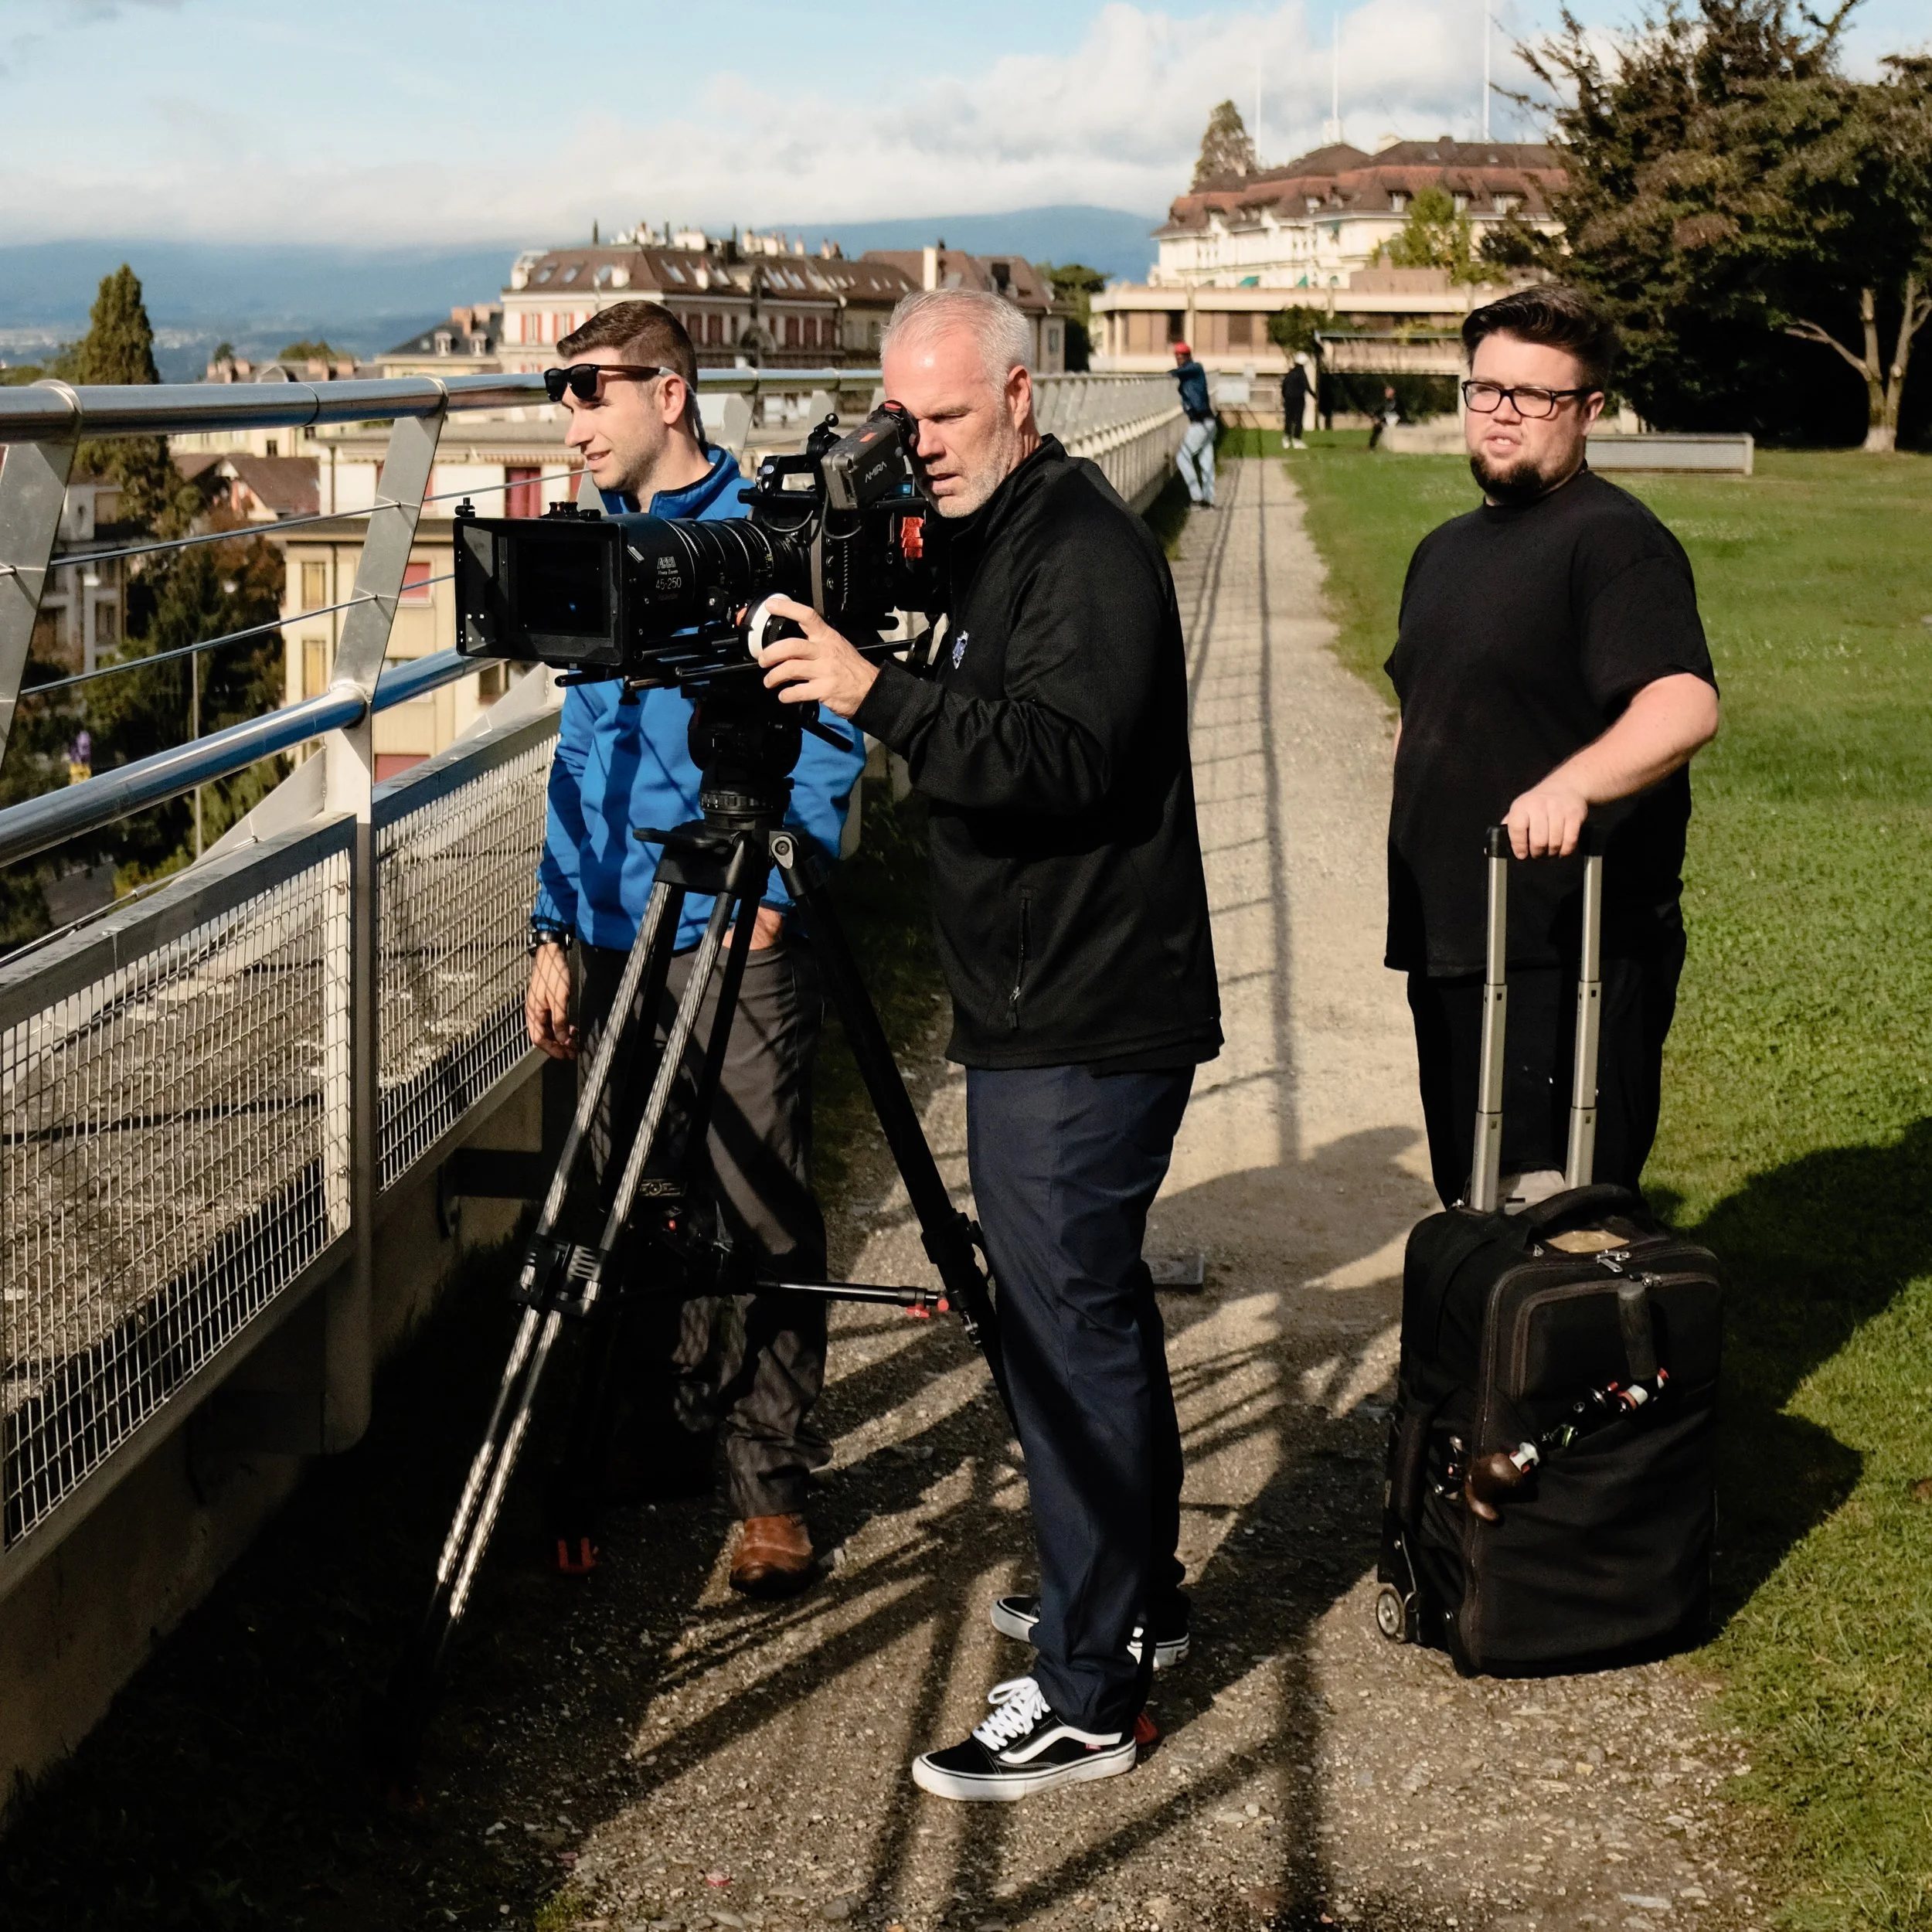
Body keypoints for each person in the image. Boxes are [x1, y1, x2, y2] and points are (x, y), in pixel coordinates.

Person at [754, 288, 1222, 1800]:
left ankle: (1086, 1689)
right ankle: (1126, 1589)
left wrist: (869, 690)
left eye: (943, 419)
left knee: (1062, 1334)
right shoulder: (993, 532)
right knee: (1088, 1317)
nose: (921, 447)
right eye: (900, 417)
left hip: (1083, 1009)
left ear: (1021, 396)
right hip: (1054, 994)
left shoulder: (1080, 550)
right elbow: (946, 636)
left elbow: (1061, 754)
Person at [526, 300, 866, 1598]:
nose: (573, 417)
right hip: (612, 926)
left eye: (589, 388)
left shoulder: (760, 542)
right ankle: (650, 1440)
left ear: (669, 394)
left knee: (758, 1197)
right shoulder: (595, 550)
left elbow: (827, 717)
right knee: (628, 1212)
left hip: (736, 915)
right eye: (561, 391)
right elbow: (576, 764)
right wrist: (550, 930)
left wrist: (787, 868)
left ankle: (770, 1493)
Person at [1385, 284, 1720, 1209]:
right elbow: (1430, 706)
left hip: (1563, 951)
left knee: (1554, 1218)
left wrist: (1570, 789)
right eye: (1486, 390)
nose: (1501, 414)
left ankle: (1586, 1359)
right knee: (1472, 1203)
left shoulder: (1613, 542)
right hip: (1456, 939)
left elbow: (1682, 703)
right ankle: (1484, 1358)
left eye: (1534, 397)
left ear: (1590, 410)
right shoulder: (1443, 548)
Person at [1170, 340, 1218, 508]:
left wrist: (1169, 374)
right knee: (1206, 460)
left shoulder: (1195, 367)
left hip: (1201, 422)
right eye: (1177, 355)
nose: (1179, 358)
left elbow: (1180, 372)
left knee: (1182, 457)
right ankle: (1208, 500)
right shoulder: (1189, 372)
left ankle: (1197, 498)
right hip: (1208, 422)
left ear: (1189, 356)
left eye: (1182, 355)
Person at [1280, 352, 1311, 450]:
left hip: (1288, 399)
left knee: (1288, 419)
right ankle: (1296, 440)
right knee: (1298, 420)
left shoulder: (1290, 373)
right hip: (1298, 399)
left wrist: (1285, 397)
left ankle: (1286, 439)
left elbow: (1284, 386)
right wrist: (1314, 395)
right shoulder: (1301, 373)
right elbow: (1306, 386)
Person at [1366, 382, 1399, 450]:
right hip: (1386, 419)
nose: (1386, 393)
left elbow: (1388, 412)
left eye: (1387, 392)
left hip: (1392, 419)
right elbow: (1380, 410)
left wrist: (1379, 419)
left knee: (1378, 428)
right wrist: (1374, 415)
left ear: (1391, 393)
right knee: (1377, 429)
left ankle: (1373, 446)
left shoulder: (1393, 402)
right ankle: (1372, 446)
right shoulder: (1386, 401)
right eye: (1386, 392)